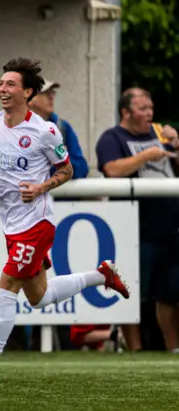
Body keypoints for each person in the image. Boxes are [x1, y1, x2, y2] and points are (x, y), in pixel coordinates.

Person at [0, 58, 130, 383]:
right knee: (39, 297)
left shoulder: (44, 131)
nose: (2, 90)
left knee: (6, 286)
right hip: (11, 223)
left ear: (28, 92)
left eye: (10, 85)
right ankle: (100, 275)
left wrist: (41, 187)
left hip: (37, 223)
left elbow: (68, 170)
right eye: (1, 84)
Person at [95, 87, 179, 352]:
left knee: (170, 293)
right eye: (143, 108)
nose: (149, 113)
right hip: (135, 229)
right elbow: (112, 170)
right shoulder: (111, 137)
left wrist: (177, 142)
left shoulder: (159, 133)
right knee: (130, 291)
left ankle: (173, 348)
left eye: (150, 108)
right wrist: (145, 156)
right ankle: (133, 349)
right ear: (126, 112)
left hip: (170, 227)